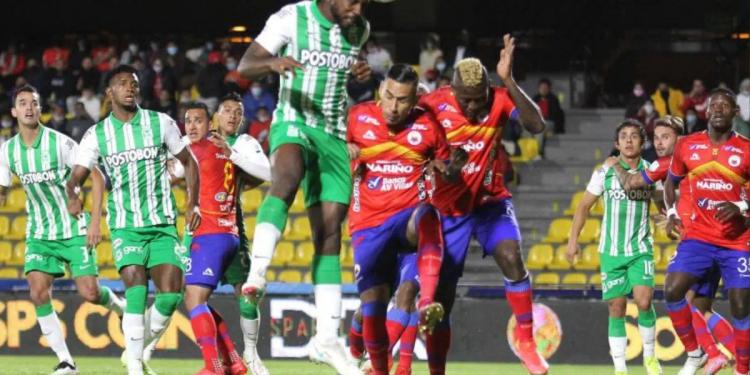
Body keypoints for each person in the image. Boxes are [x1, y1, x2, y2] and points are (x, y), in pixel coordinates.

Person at [237, 1, 371, 373]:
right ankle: (258, 273)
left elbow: (345, 73)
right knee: (287, 176)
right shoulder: (290, 18)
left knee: (329, 235)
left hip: (333, 134)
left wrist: (360, 73)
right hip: (293, 119)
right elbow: (245, 65)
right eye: (352, 0)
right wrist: (273, 64)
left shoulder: (359, 28)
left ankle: (326, 339)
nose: (357, 8)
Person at [418, 36, 548, 374]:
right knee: (442, 300)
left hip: (490, 202)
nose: (474, 107)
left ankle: (527, 343)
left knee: (512, 257)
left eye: (479, 100)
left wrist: (509, 81)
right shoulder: (434, 104)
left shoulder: (500, 98)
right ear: (451, 89)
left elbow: (537, 126)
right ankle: (436, 370)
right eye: (466, 100)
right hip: (449, 209)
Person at [66, 65, 200, 375]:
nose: (130, 88)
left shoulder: (160, 123)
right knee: (136, 290)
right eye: (123, 84)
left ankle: (133, 351)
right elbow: (75, 179)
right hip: (126, 227)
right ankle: (136, 368)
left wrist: (192, 203)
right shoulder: (96, 134)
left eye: (134, 84)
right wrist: (74, 195)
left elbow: (189, 163)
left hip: (163, 225)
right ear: (110, 92)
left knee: (169, 298)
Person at [346, 64, 465, 374]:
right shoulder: (356, 117)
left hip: (409, 223)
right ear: (379, 92)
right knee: (371, 308)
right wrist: (342, 152)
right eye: (389, 96)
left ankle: (426, 304)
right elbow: (329, 156)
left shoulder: (427, 124)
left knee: (427, 217)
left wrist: (451, 168)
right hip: (369, 226)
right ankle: (362, 354)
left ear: (415, 100)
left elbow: (448, 167)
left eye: (403, 100)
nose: (394, 107)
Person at [0, 84, 125, 375]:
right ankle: (66, 361)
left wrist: (95, 221)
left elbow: (97, 177)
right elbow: (2, 193)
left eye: (34, 102)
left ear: (40, 109)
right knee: (37, 291)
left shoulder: (61, 143)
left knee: (90, 293)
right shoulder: (7, 151)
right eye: (23, 103)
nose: (29, 108)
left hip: (73, 230)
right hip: (40, 234)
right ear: (14, 111)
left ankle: (120, 309)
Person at [600, 116, 736, 373]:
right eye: (655, 138)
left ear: (681, 139)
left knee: (678, 297)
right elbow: (666, 194)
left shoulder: (681, 161)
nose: (659, 143)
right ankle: (740, 359)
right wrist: (671, 213)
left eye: (666, 137)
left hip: (702, 242)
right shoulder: (686, 162)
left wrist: (615, 165)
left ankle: (711, 353)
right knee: (702, 309)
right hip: (717, 240)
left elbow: (632, 185)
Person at [662, 89, 750, 375]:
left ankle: (743, 369)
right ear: (706, 111)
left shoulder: (747, 149)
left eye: (725, 106)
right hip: (698, 237)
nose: (719, 109)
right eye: (714, 105)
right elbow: (670, 183)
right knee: (673, 290)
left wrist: (740, 206)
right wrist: (673, 213)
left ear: (735, 112)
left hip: (736, 240)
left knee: (740, 305)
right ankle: (697, 352)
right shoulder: (686, 145)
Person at [180, 98, 270, 375]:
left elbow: (267, 173)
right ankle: (233, 360)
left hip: (225, 227)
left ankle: (245, 355)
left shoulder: (242, 143)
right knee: (193, 296)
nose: (232, 116)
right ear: (216, 116)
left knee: (238, 293)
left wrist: (233, 156)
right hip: (205, 227)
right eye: (227, 111)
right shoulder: (196, 141)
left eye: (238, 113)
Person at [566, 120, 662, 375]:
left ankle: (650, 359)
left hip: (640, 248)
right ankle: (620, 368)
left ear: (643, 143)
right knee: (616, 307)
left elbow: (662, 202)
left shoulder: (651, 170)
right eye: (624, 136)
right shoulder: (603, 172)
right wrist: (573, 241)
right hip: (611, 252)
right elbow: (584, 206)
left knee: (643, 300)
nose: (629, 140)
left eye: (634, 136)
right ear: (616, 143)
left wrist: (669, 216)